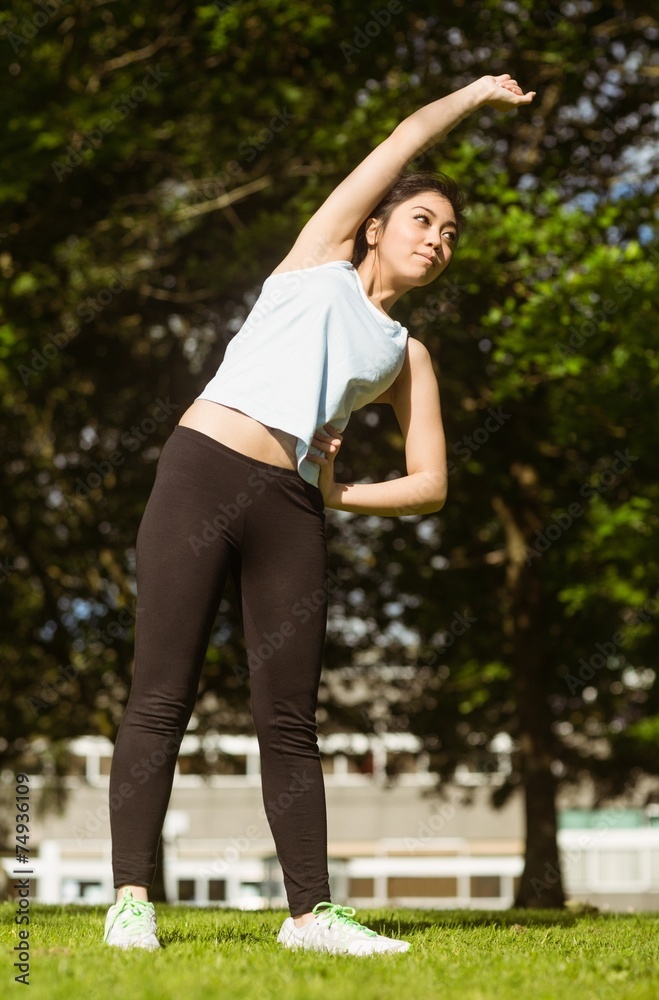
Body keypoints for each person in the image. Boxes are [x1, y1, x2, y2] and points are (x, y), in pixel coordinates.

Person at [103, 72, 535, 956]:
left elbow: (430, 484)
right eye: (424, 221)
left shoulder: (406, 355)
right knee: (161, 695)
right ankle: (130, 900)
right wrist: (474, 96)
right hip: (200, 472)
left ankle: (309, 915)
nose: (438, 239)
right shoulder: (316, 261)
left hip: (290, 509)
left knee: (289, 715)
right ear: (374, 226)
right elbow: (402, 141)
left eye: (451, 233)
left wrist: (339, 495)